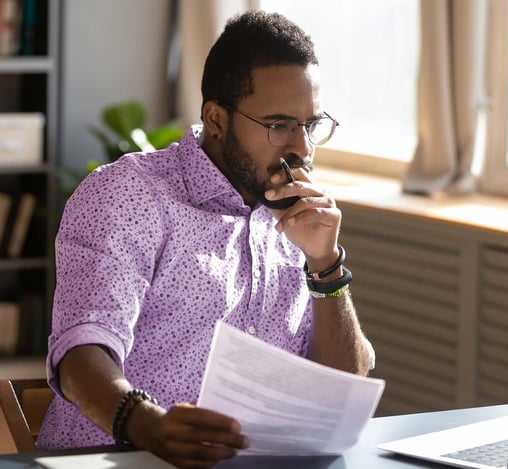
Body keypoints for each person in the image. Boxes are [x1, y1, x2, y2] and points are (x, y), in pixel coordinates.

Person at [37, 10, 373, 468]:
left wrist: (325, 263)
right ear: (216, 118)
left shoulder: (296, 217)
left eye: (310, 125)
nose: (302, 149)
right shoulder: (129, 195)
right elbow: (81, 351)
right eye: (279, 125)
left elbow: (342, 389)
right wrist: (147, 426)